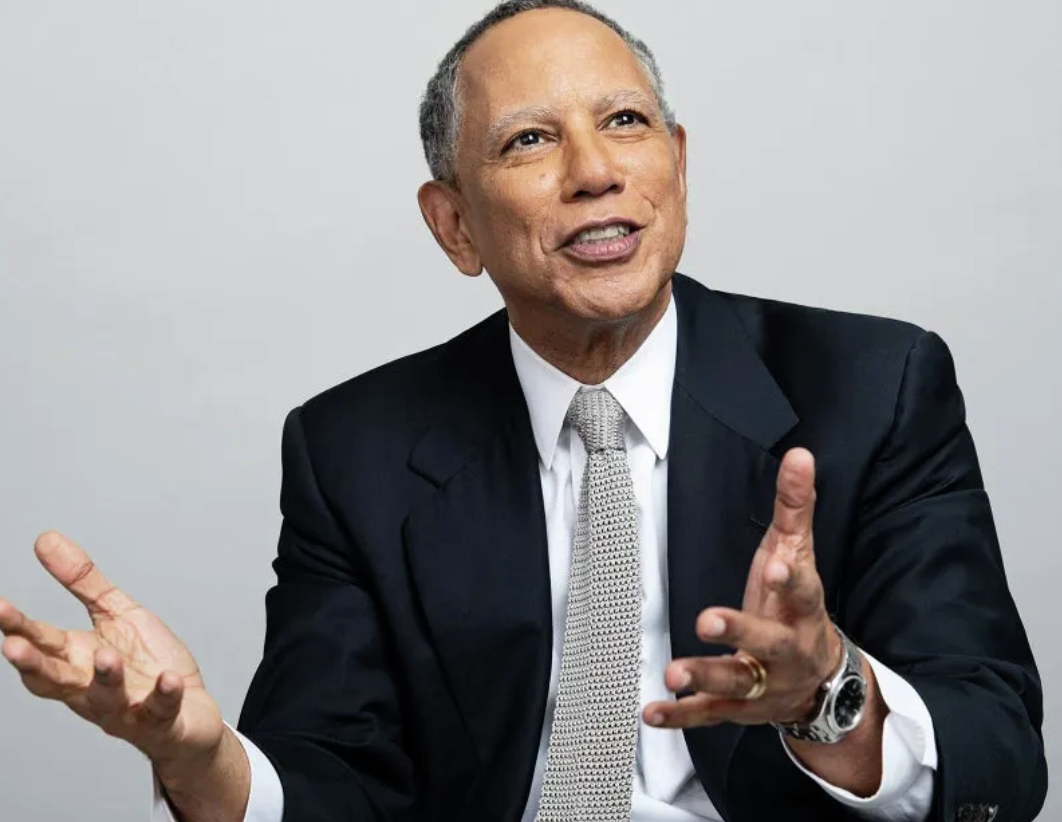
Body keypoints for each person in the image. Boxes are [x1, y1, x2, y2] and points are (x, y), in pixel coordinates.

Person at [0, 2, 1046, 821]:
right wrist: (202, 761)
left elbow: (998, 753)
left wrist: (831, 697)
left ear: (678, 165)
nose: (595, 173)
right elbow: (333, 778)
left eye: (625, 123)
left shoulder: (873, 386)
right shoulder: (354, 450)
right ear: (455, 225)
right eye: (530, 141)